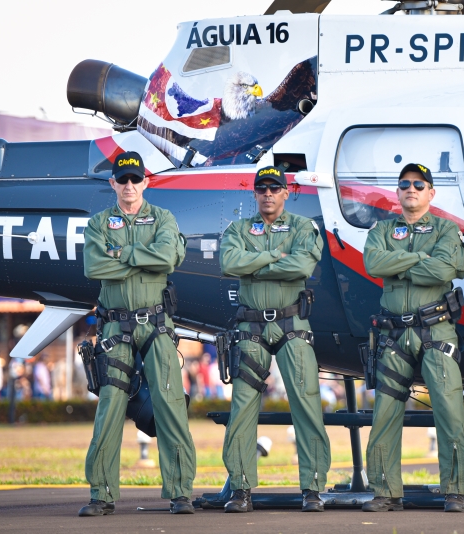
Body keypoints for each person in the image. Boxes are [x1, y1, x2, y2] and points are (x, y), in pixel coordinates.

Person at [80, 151, 196, 516]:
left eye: (135, 179)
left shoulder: (163, 218)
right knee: (110, 408)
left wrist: (123, 252)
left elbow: (168, 258)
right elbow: (93, 265)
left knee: (170, 405)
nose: (129, 186)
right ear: (113, 183)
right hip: (114, 326)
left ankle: (180, 493)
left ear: (146, 182)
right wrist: (142, 254)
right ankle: (101, 494)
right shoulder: (99, 223)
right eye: (122, 179)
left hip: (157, 324)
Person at [362, 163, 464, 513]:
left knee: (449, 410)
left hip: (436, 330)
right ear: (397, 191)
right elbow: (373, 264)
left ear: (431, 192)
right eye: (405, 184)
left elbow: (442, 270)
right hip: (393, 333)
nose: (412, 189)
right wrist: (419, 258)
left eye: (419, 185)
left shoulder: (446, 229)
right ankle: (385, 491)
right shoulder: (381, 228)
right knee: (385, 413)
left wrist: (398, 263)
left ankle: (455, 490)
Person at [219, 166, 330, 513]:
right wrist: (274, 256)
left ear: (286, 192)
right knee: (241, 408)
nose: (268, 193)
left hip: (291, 325)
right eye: (261, 188)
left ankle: (312, 489)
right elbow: (228, 262)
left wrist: (253, 264)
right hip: (250, 328)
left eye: (274, 188)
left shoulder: (302, 227)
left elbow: (301, 266)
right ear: (255, 194)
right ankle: (240, 489)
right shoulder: (238, 228)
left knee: (307, 404)